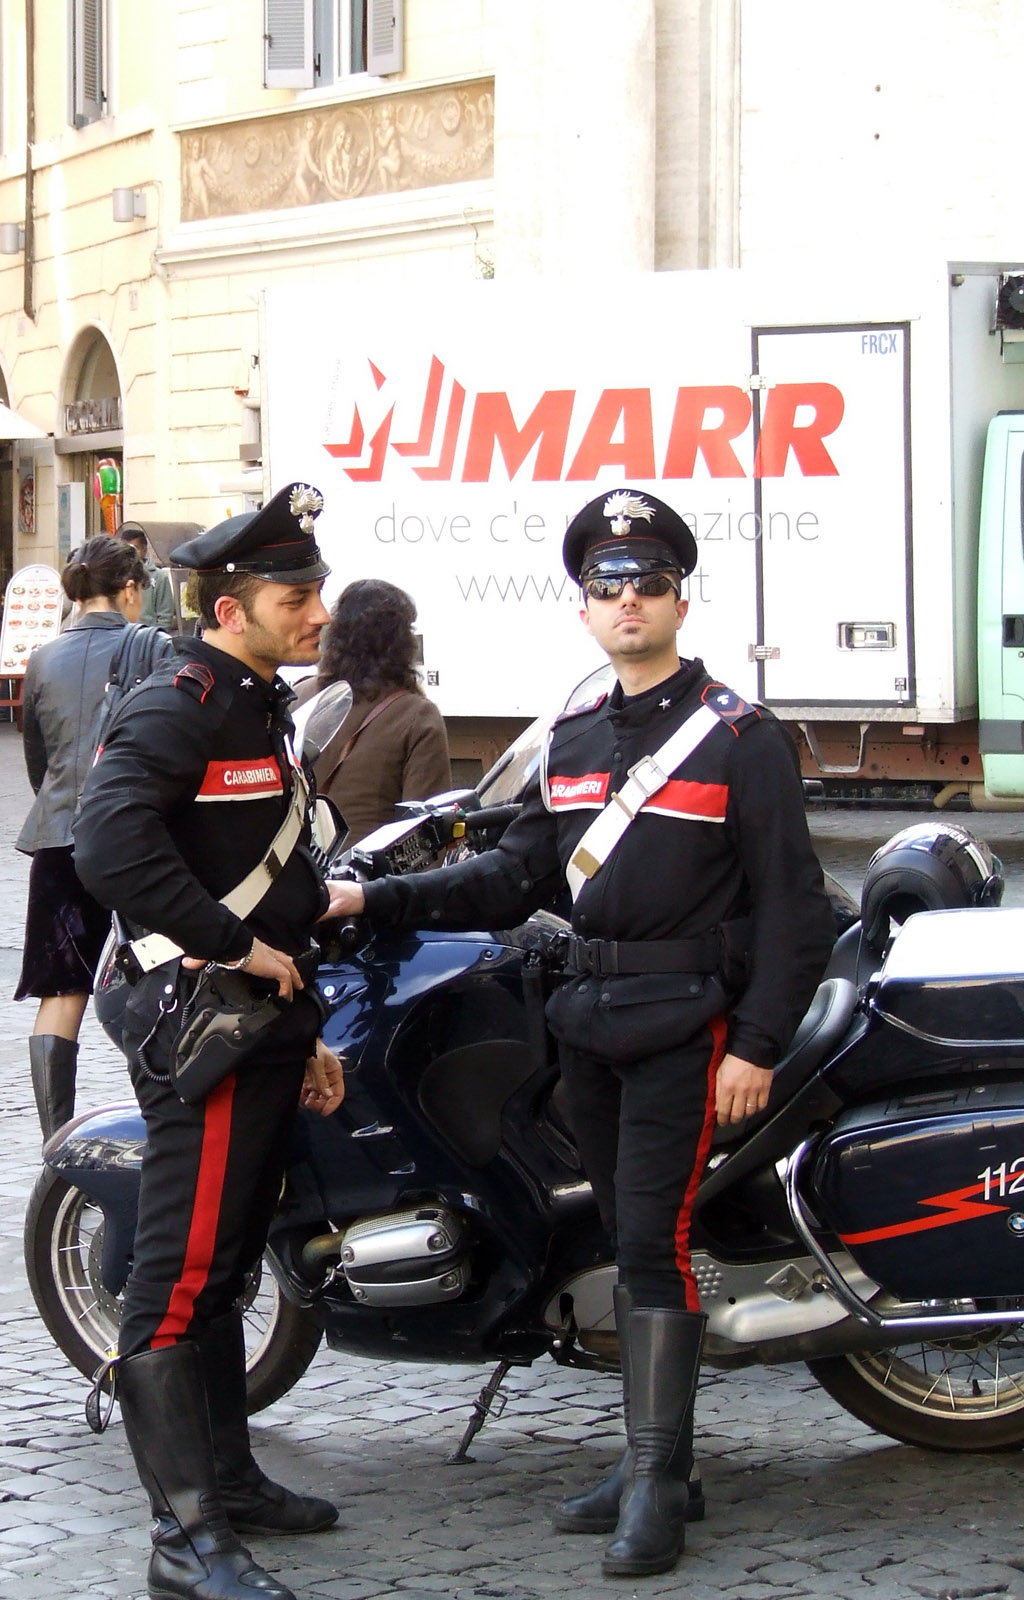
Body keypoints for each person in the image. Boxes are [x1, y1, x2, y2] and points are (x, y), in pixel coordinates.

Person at [322, 488, 835, 1579]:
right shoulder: (575, 736)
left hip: (688, 1030)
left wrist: (756, 1043)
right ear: (585, 610)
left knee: (650, 1241)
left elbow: (795, 909)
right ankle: (661, 1461)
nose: (629, 599)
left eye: (649, 580)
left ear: (681, 600)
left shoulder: (741, 740)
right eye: (608, 585)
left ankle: (655, 1483)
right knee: (618, 1237)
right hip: (586, 1028)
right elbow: (515, 873)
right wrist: (374, 902)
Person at [73, 483, 346, 1600]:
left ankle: (227, 1484)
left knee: (229, 1267)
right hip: (207, 1027)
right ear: (230, 608)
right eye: (296, 594)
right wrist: (229, 944)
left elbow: (285, 880)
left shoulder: (258, 703)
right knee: (179, 1280)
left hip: (265, 1028)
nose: (318, 609)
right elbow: (109, 844)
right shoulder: (181, 701)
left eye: (319, 588)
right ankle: (183, 1540)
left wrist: (307, 1025)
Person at [15, 537, 149, 1139]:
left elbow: (37, 760)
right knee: (159, 975)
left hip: (61, 832)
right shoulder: (154, 649)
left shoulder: (43, 658)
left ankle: (57, 1141)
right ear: (128, 590)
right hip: (139, 836)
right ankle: (162, 1122)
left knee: (61, 986)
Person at [292, 578, 451, 844]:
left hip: (297, 871)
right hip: (367, 880)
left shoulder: (299, 696)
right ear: (401, 643)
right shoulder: (416, 716)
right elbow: (427, 835)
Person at [119, 521, 178, 632]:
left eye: (135, 548)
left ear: (144, 550)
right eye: (125, 549)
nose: (130, 553)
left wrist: (155, 638)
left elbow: (165, 615)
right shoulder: (117, 576)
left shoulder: (159, 577)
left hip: (149, 639)